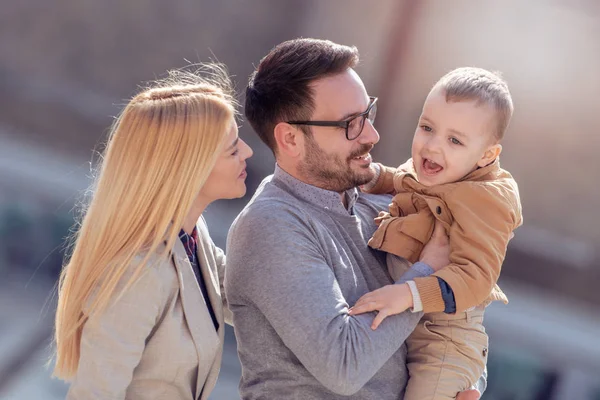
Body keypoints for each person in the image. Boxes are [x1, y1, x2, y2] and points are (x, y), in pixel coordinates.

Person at [225, 38, 482, 399]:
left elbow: (446, 331)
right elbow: (343, 365)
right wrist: (424, 277)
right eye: (350, 124)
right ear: (291, 138)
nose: (371, 135)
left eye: (368, 114)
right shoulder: (272, 226)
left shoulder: (379, 205)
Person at [53, 64, 253, 399]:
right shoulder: (138, 273)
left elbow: (253, 303)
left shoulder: (193, 237)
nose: (247, 152)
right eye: (233, 149)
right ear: (190, 166)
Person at [350, 67, 523, 399]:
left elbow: (476, 276)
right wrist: (372, 176)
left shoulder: (488, 200)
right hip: (409, 327)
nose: (432, 146)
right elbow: (400, 180)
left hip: (445, 341)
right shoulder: (432, 171)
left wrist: (409, 293)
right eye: (427, 127)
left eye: (454, 140)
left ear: (487, 154)